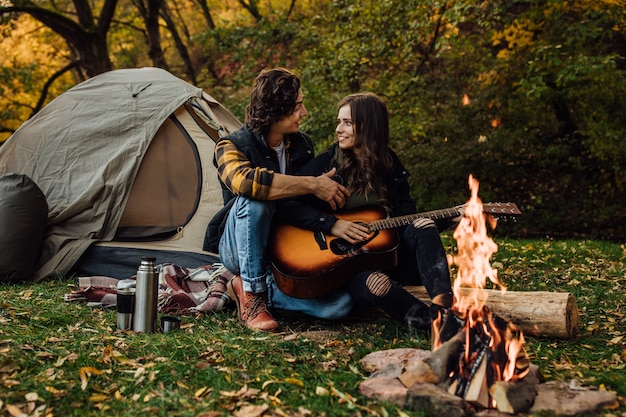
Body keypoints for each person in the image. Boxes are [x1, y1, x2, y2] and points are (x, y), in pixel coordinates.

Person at [270, 92, 455, 330]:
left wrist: (448, 219)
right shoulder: (328, 163)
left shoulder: (390, 165)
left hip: (392, 256)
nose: (338, 129)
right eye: (339, 122)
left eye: (347, 122)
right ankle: (439, 326)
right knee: (376, 284)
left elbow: (408, 222)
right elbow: (285, 204)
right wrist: (331, 224)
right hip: (347, 267)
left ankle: (444, 309)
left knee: (423, 225)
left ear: (368, 125)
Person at [211, 68, 350, 332]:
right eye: (298, 106)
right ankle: (253, 296)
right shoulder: (230, 145)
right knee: (256, 199)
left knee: (340, 306)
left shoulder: (301, 145)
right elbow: (244, 182)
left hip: (282, 245)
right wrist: (313, 185)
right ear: (276, 109)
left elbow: (302, 205)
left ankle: (247, 287)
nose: (304, 112)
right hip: (239, 246)